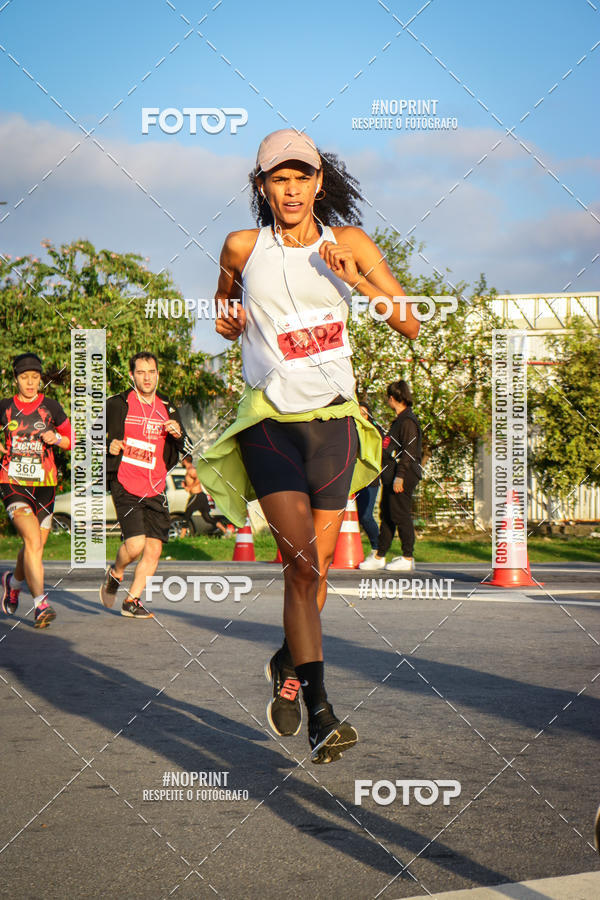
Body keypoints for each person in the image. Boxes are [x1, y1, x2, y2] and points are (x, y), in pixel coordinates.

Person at [197, 129, 420, 763]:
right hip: (269, 423)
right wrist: (224, 316)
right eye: (277, 179)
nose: (290, 190)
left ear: (319, 183)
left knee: (315, 576)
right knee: (299, 567)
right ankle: (321, 711)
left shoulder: (347, 243)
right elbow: (224, 304)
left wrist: (359, 282)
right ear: (262, 187)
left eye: (302, 178)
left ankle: (284, 663)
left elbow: (405, 320)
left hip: (334, 424)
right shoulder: (242, 246)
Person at [98, 352, 196, 617]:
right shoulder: (118, 404)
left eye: (151, 372)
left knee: (154, 547)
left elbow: (183, 445)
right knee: (136, 544)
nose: (147, 377)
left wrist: (178, 436)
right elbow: (90, 436)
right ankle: (116, 572)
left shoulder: (168, 407)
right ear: (132, 376)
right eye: (141, 372)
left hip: (155, 486)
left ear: (157, 374)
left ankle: (132, 601)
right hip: (125, 482)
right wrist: (109, 444)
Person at [0, 353, 73, 627]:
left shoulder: (52, 407)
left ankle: (14, 581)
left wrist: (58, 438)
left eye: (34, 377)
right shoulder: (5, 408)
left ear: (40, 379)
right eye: (24, 378)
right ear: (16, 379)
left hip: (45, 486)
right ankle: (40, 603)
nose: (30, 383)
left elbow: (72, 439)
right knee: (32, 541)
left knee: (35, 547)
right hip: (13, 482)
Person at [359, 380, 422, 572]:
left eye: (388, 397)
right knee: (387, 514)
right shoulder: (400, 420)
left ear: (393, 398)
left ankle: (407, 556)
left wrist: (400, 476)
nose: (388, 400)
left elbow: (409, 452)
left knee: (400, 514)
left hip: (404, 475)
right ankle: (379, 555)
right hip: (392, 475)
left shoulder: (408, 421)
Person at [355, 399, 383, 557]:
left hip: (370, 479)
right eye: (359, 412)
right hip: (354, 479)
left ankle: (378, 547)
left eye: (364, 413)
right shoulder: (352, 428)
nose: (361, 415)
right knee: (358, 516)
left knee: (366, 515)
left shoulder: (375, 430)